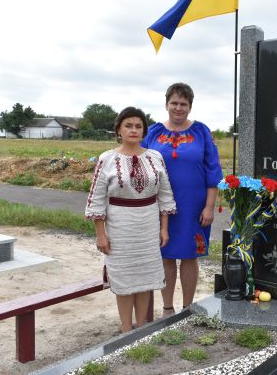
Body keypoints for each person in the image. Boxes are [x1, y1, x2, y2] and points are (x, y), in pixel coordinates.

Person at [85, 106, 176, 332]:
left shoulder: (155, 158)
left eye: (138, 126)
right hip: (120, 227)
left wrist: (164, 228)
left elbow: (165, 195)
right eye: (128, 125)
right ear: (118, 130)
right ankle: (126, 329)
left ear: (144, 130)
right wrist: (101, 235)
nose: (133, 130)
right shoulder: (107, 159)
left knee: (145, 278)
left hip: (148, 225)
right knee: (125, 278)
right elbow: (96, 200)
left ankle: (142, 328)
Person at [141, 83, 222, 315]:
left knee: (189, 255)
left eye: (183, 104)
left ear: (190, 106)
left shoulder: (201, 132)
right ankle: (167, 309)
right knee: (165, 255)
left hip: (194, 206)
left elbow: (213, 171)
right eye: (174, 103)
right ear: (166, 104)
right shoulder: (153, 132)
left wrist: (209, 206)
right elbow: (139, 163)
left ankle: (188, 308)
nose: (178, 108)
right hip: (160, 206)